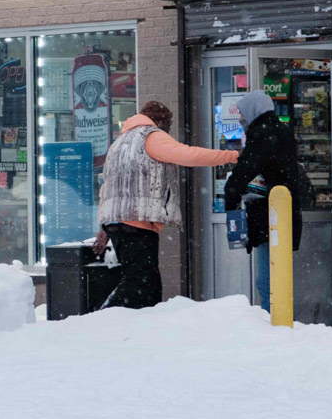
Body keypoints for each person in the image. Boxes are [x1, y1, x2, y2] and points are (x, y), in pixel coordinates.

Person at [92, 100, 238, 309]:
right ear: (158, 120)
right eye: (168, 123)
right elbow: (188, 154)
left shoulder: (120, 142)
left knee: (145, 282)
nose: (169, 129)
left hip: (116, 221)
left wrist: (103, 228)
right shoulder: (151, 136)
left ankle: (138, 326)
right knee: (140, 283)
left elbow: (106, 188)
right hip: (136, 221)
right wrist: (232, 156)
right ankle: (104, 319)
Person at [223, 91, 304, 314]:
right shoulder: (280, 132)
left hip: (271, 216)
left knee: (267, 281)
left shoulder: (263, 134)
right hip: (281, 213)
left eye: (242, 112)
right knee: (273, 278)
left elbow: (245, 169)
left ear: (253, 110)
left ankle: (273, 328)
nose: (240, 117)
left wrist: (231, 198)